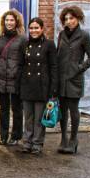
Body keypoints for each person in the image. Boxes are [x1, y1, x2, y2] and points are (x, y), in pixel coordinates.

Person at [56, 6, 90, 155]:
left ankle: (73, 140)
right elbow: (59, 54)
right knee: (62, 110)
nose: (68, 21)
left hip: (74, 79)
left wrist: (79, 68)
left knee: (73, 110)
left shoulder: (84, 35)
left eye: (71, 18)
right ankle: (63, 139)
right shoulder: (61, 34)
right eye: (66, 19)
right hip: (61, 78)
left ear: (78, 18)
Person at [19, 17, 58, 155]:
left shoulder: (49, 44)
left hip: (42, 86)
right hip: (27, 85)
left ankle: (37, 143)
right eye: (31, 28)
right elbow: (21, 65)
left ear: (42, 29)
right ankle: (27, 142)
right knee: (28, 118)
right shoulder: (25, 44)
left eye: (36, 28)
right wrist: (19, 85)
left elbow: (54, 67)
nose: (33, 30)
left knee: (39, 118)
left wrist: (53, 89)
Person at [0, 9, 26, 146]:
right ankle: (3, 135)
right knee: (3, 109)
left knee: (17, 109)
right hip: (1, 77)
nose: (9, 22)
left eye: (12, 20)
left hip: (15, 79)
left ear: (17, 22)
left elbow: (24, 59)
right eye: (7, 20)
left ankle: (16, 136)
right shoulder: (0, 38)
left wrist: (18, 72)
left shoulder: (22, 39)